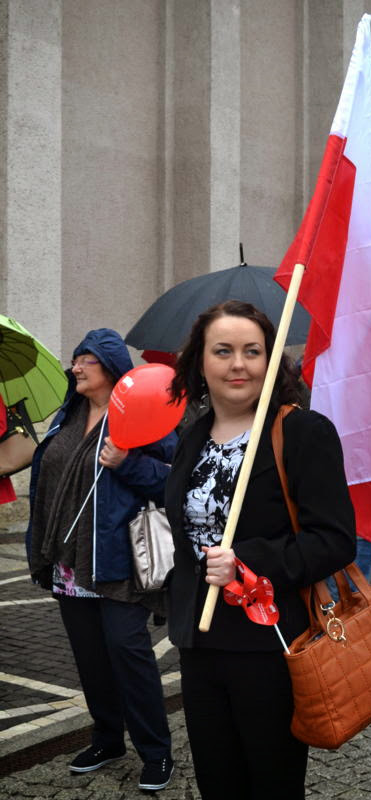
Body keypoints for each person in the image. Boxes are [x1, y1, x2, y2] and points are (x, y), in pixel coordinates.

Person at [164, 301, 356, 800]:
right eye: (223, 351)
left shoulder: (301, 431)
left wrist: (248, 561)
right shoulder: (191, 437)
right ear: (200, 360)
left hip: (270, 645)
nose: (239, 364)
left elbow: (335, 539)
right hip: (199, 642)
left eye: (253, 351)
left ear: (271, 360)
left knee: (272, 783)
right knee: (217, 781)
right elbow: (189, 538)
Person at [26, 328, 176, 792]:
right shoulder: (67, 416)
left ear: (111, 368)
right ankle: (108, 739)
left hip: (119, 563)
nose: (75, 367)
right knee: (90, 659)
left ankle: (157, 751)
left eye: (85, 359)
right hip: (70, 562)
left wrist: (127, 463)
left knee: (129, 655)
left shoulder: (141, 416)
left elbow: (174, 481)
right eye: (75, 359)